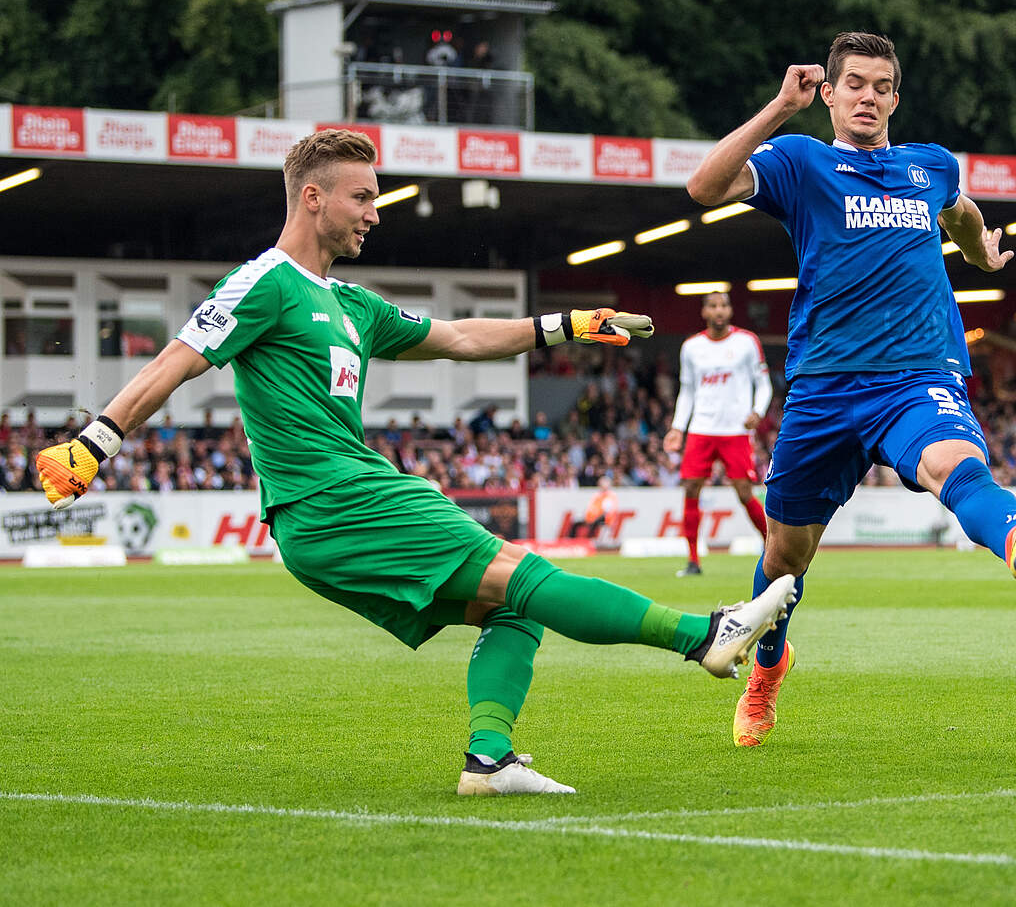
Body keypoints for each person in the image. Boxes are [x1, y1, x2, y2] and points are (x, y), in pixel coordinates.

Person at [34, 128, 797, 795]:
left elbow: (460, 337)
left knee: (513, 609)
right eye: (363, 197)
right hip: (333, 497)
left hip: (335, 507)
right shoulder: (265, 282)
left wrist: (567, 324)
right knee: (522, 573)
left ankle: (490, 760)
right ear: (311, 199)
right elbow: (177, 358)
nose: (375, 212)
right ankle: (702, 635)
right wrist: (96, 442)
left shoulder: (352, 305)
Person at [686, 32, 1016, 748]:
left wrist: (980, 255)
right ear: (829, 93)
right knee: (785, 558)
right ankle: (768, 667)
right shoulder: (801, 161)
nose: (868, 97)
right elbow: (704, 187)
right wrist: (779, 107)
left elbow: (960, 211)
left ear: (896, 98)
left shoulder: (930, 166)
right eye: (854, 84)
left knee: (952, 464)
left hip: (919, 372)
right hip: (825, 386)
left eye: (882, 86)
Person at [663, 291, 773, 576]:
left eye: (724, 305)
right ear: (704, 312)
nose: (719, 310)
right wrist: (678, 427)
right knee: (691, 488)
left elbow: (763, 384)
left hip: (735, 430)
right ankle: (693, 560)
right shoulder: (691, 347)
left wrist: (757, 412)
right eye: (713, 306)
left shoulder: (747, 342)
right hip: (701, 429)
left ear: (730, 310)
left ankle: (773, 547)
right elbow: (687, 391)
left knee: (743, 491)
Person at [569, 475, 618, 540]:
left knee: (594, 523)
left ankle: (589, 540)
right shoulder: (597, 495)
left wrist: (595, 517)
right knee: (576, 523)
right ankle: (572, 541)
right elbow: (590, 507)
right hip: (592, 518)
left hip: (604, 519)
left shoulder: (610, 495)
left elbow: (606, 511)